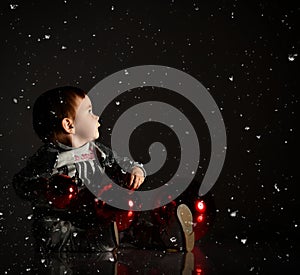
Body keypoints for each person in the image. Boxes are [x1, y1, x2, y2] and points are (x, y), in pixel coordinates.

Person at [13, 86, 146, 255]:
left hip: (94, 211)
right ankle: (88, 242)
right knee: (52, 232)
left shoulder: (97, 150)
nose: (96, 116)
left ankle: (147, 233)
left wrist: (136, 170)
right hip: (65, 217)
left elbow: (123, 162)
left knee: (126, 209)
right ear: (69, 125)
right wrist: (44, 189)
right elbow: (21, 182)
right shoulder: (49, 158)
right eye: (89, 111)